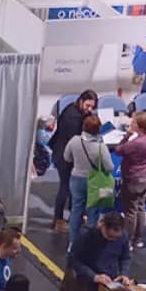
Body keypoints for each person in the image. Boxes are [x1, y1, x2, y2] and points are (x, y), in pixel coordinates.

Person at [49, 89, 100, 233]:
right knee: (65, 187)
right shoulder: (72, 117)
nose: (89, 110)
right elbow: (77, 140)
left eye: (92, 107)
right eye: (87, 106)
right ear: (81, 101)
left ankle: (75, 215)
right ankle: (58, 219)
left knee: (74, 187)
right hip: (64, 154)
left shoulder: (75, 109)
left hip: (69, 153)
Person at [63, 110, 114, 247]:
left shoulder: (74, 141)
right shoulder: (101, 147)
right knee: (93, 212)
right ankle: (88, 243)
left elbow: (66, 158)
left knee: (76, 210)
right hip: (95, 182)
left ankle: (73, 243)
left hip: (76, 179)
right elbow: (109, 167)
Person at [116, 110, 146, 249]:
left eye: (133, 122)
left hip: (133, 179)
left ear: (139, 126)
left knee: (130, 212)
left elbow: (119, 150)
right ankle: (138, 239)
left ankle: (127, 241)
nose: (131, 124)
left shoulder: (136, 143)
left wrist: (126, 136)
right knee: (140, 208)